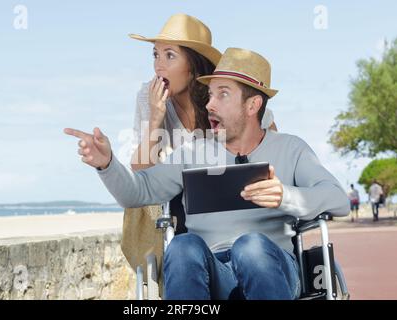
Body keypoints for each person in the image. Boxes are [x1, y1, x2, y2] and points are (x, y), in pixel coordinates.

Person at [64, 48, 349, 300]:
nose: (210, 104)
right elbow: (137, 192)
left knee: (249, 246)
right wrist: (107, 164)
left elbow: (338, 200)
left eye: (222, 94)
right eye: (210, 95)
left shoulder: (291, 148)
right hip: (214, 271)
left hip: (273, 267)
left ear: (253, 105)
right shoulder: (193, 153)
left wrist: (285, 196)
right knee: (183, 245)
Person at [122, 13, 277, 277]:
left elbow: (272, 152)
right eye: (155, 55)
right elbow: (141, 173)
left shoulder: (227, 93)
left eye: (169, 56)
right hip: (190, 209)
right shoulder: (148, 98)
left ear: (193, 66)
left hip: (241, 198)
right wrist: (156, 118)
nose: (158, 66)